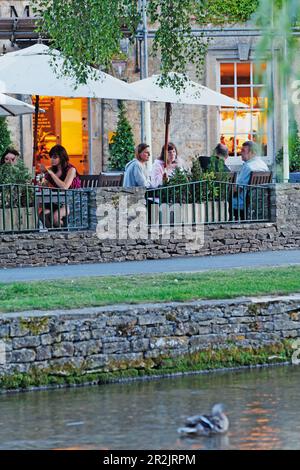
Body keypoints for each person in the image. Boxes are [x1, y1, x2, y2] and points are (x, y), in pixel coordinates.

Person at [39, 145, 81, 227]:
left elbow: (65, 187)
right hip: (56, 201)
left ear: (62, 157)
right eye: (51, 157)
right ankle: (53, 235)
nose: (52, 160)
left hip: (72, 201)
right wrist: (42, 175)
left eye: (55, 157)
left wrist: (51, 173)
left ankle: (61, 234)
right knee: (43, 214)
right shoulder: (52, 170)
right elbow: (44, 185)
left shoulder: (71, 170)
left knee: (56, 216)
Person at [233, 140, 269, 220]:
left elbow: (238, 189)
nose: (240, 153)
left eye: (243, 151)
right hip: (258, 202)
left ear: (252, 152)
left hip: (243, 203)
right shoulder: (264, 165)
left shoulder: (248, 166)